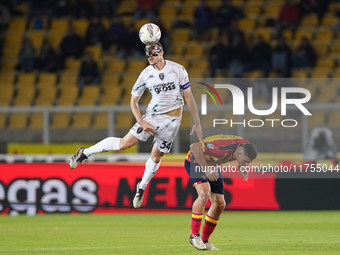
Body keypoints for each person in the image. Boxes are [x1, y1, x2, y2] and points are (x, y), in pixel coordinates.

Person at [69, 42, 203, 209]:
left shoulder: (178, 70)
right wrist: (141, 121)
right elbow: (133, 100)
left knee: (156, 156)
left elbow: (189, 97)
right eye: (148, 55)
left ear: (161, 52)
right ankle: (85, 152)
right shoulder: (146, 74)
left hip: (173, 122)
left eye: (153, 54)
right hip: (153, 117)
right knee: (124, 143)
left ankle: (141, 187)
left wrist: (197, 122)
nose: (150, 57)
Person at [185, 134, 257, 250]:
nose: (246, 164)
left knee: (220, 204)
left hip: (212, 165)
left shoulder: (245, 146)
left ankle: (204, 240)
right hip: (195, 162)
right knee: (204, 194)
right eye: (245, 161)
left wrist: (241, 166)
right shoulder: (220, 148)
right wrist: (206, 169)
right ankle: (194, 235)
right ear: (239, 153)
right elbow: (194, 146)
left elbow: (242, 154)